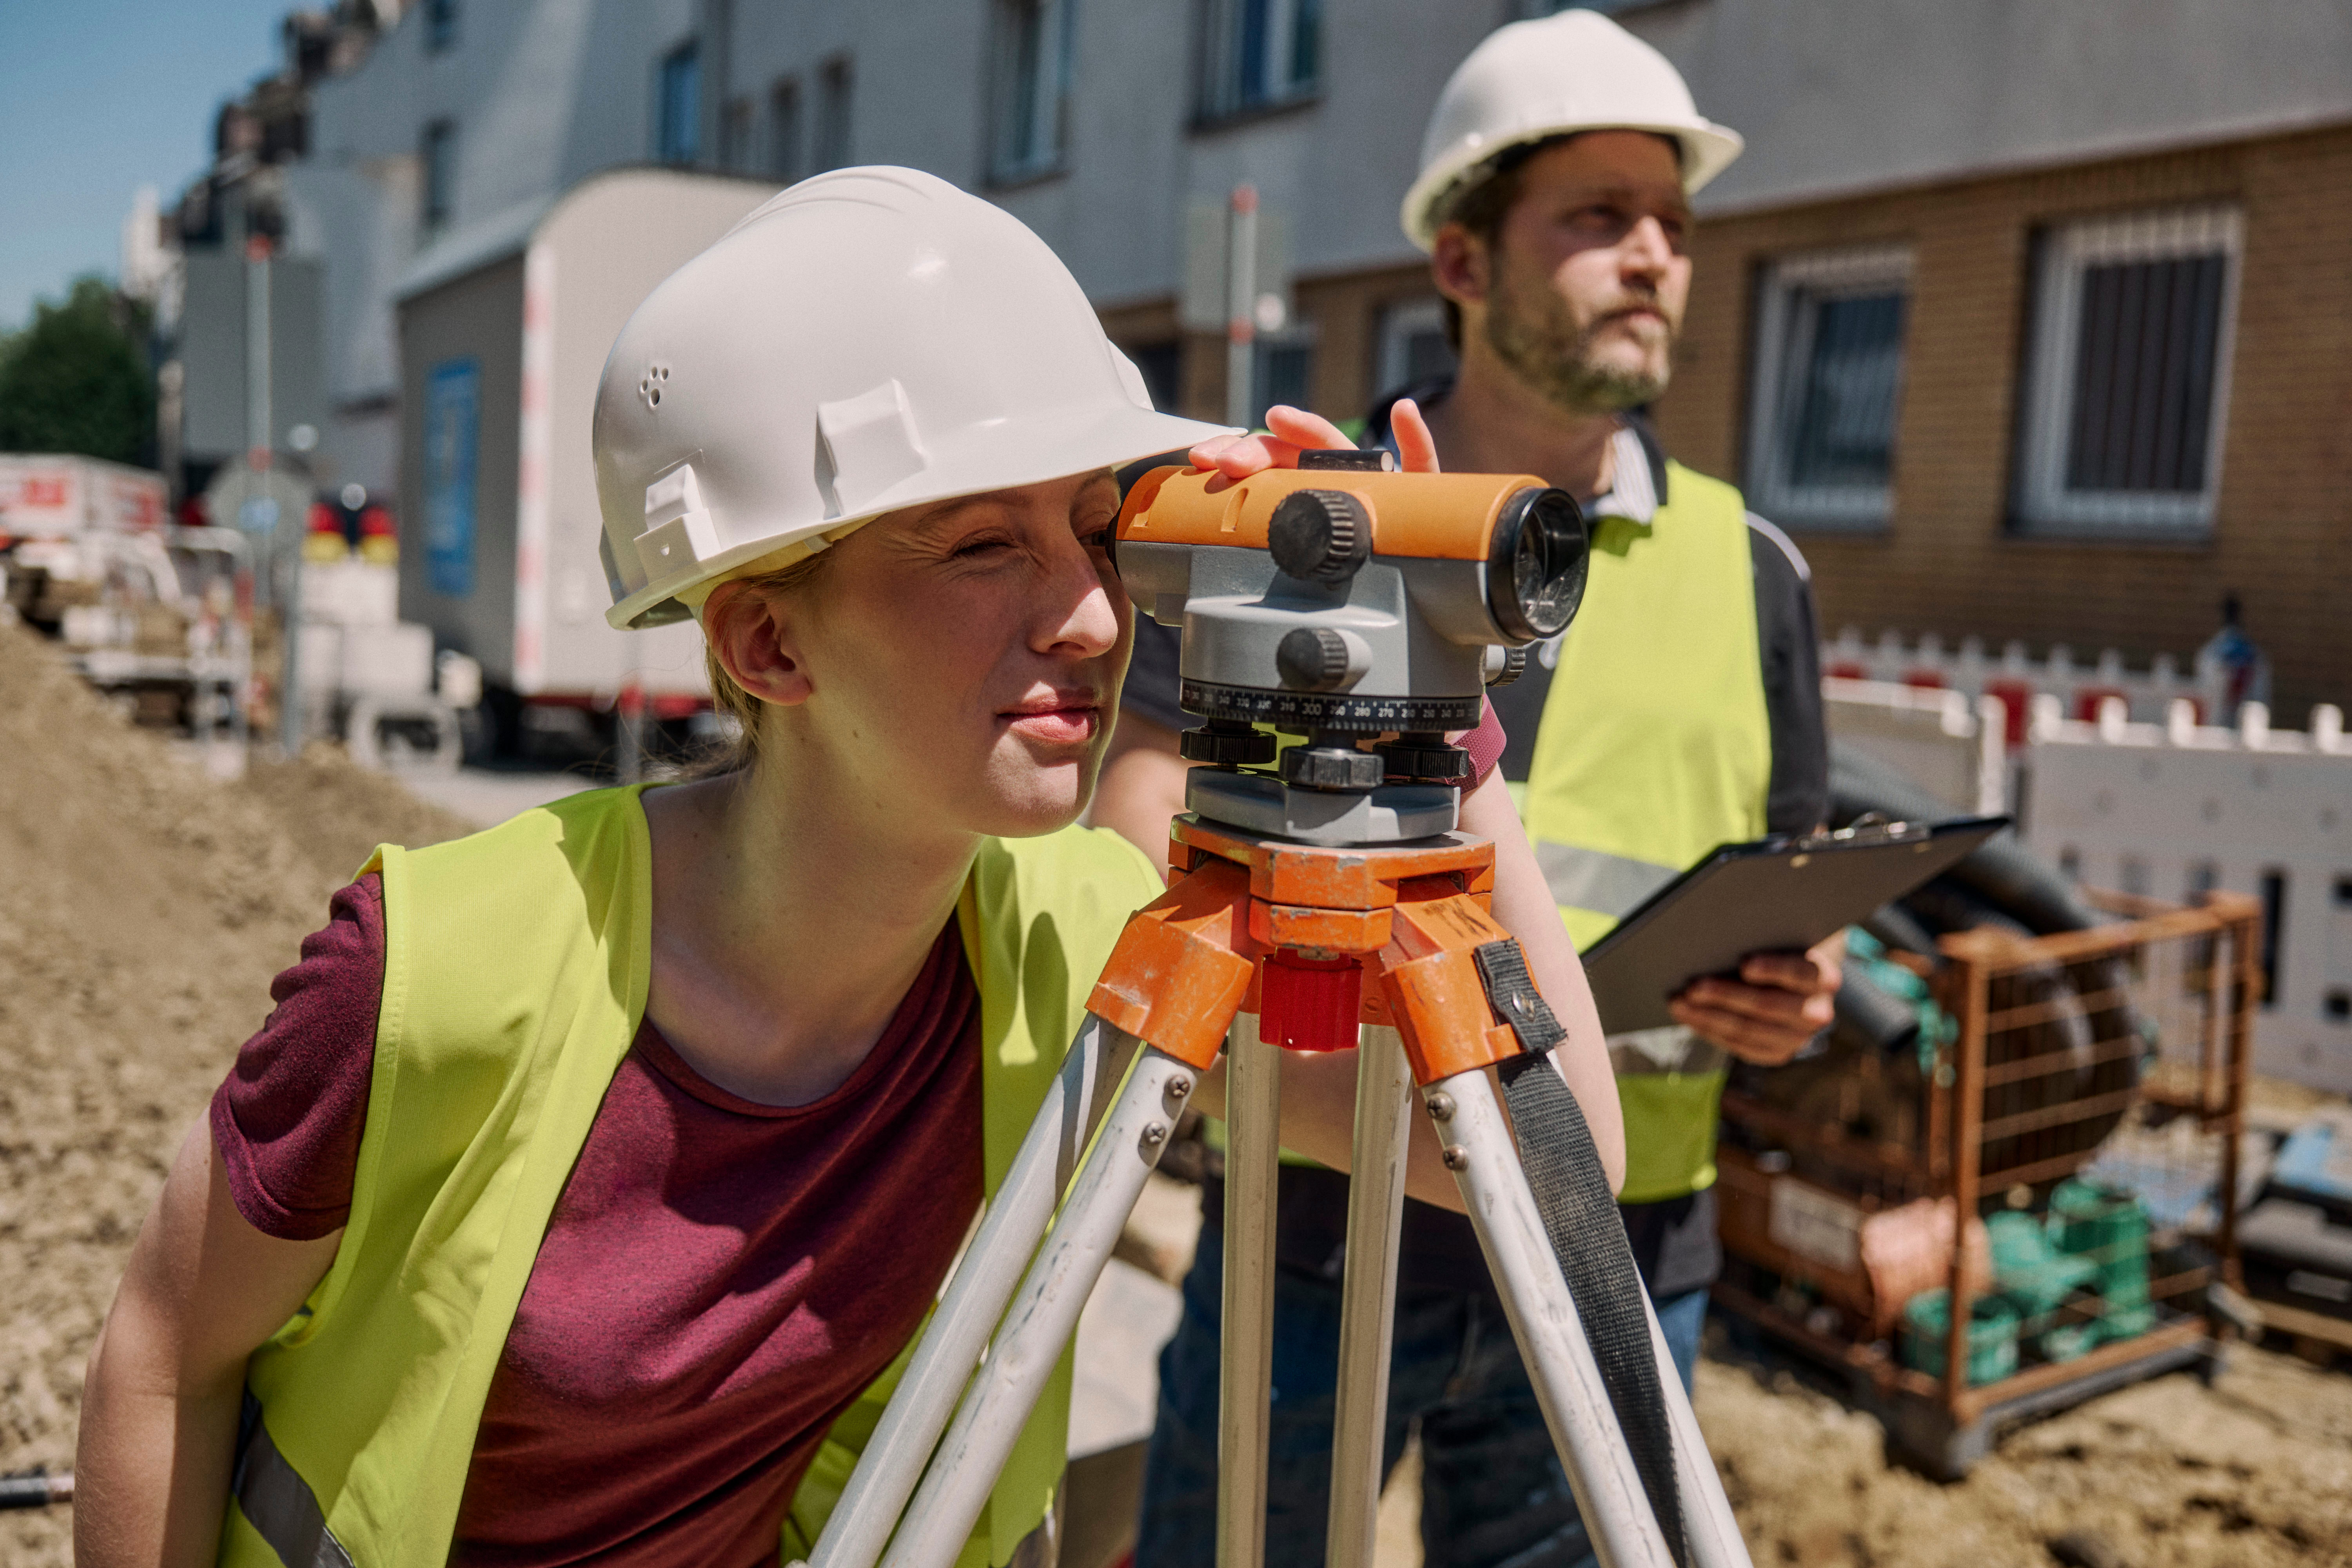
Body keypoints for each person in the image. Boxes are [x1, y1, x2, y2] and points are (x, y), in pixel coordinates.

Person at [73, 166, 1619, 1568]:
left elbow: (1561, 1178)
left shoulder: (1090, 951)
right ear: (765, 639)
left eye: (1095, 532)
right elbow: (163, 1344)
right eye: (979, 547)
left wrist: (1434, 696)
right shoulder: (438, 970)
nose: (1091, 617)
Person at [1114, 14, 1842, 1567]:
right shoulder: (1308, 520)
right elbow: (1139, 835)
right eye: (1596, 216)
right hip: (1322, 1232)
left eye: (1673, 224)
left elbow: (1790, 870)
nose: (1653, 255)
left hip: (1619, 1248)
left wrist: (1793, 991)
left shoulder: (1758, 569)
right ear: (1461, 260)